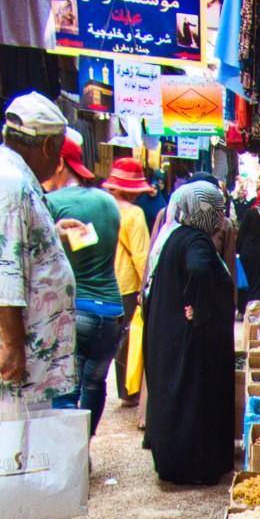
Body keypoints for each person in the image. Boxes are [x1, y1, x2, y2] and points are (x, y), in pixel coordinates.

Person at [0, 93, 93, 519]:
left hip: (36, 343)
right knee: (14, 435)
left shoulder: (15, 178)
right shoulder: (8, 182)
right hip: (21, 343)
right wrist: (10, 343)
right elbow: (2, 271)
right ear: (48, 144)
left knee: (35, 432)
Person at [143, 181, 235, 486]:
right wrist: (199, 308)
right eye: (217, 210)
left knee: (176, 396)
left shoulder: (176, 235)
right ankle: (196, 466)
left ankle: (175, 461)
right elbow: (198, 269)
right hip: (191, 340)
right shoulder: (197, 240)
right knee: (193, 398)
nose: (221, 217)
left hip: (170, 335)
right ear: (205, 211)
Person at [44, 131, 123, 435]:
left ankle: (72, 457)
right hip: (112, 310)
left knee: (66, 388)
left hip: (76, 309)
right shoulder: (108, 202)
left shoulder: (50, 203)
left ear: (60, 162)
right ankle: (83, 444)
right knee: (94, 383)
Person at [102, 157, 151, 407]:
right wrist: (148, 286)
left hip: (97, 282)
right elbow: (141, 254)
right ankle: (127, 390)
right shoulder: (133, 214)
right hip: (126, 284)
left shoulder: (98, 206)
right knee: (127, 339)